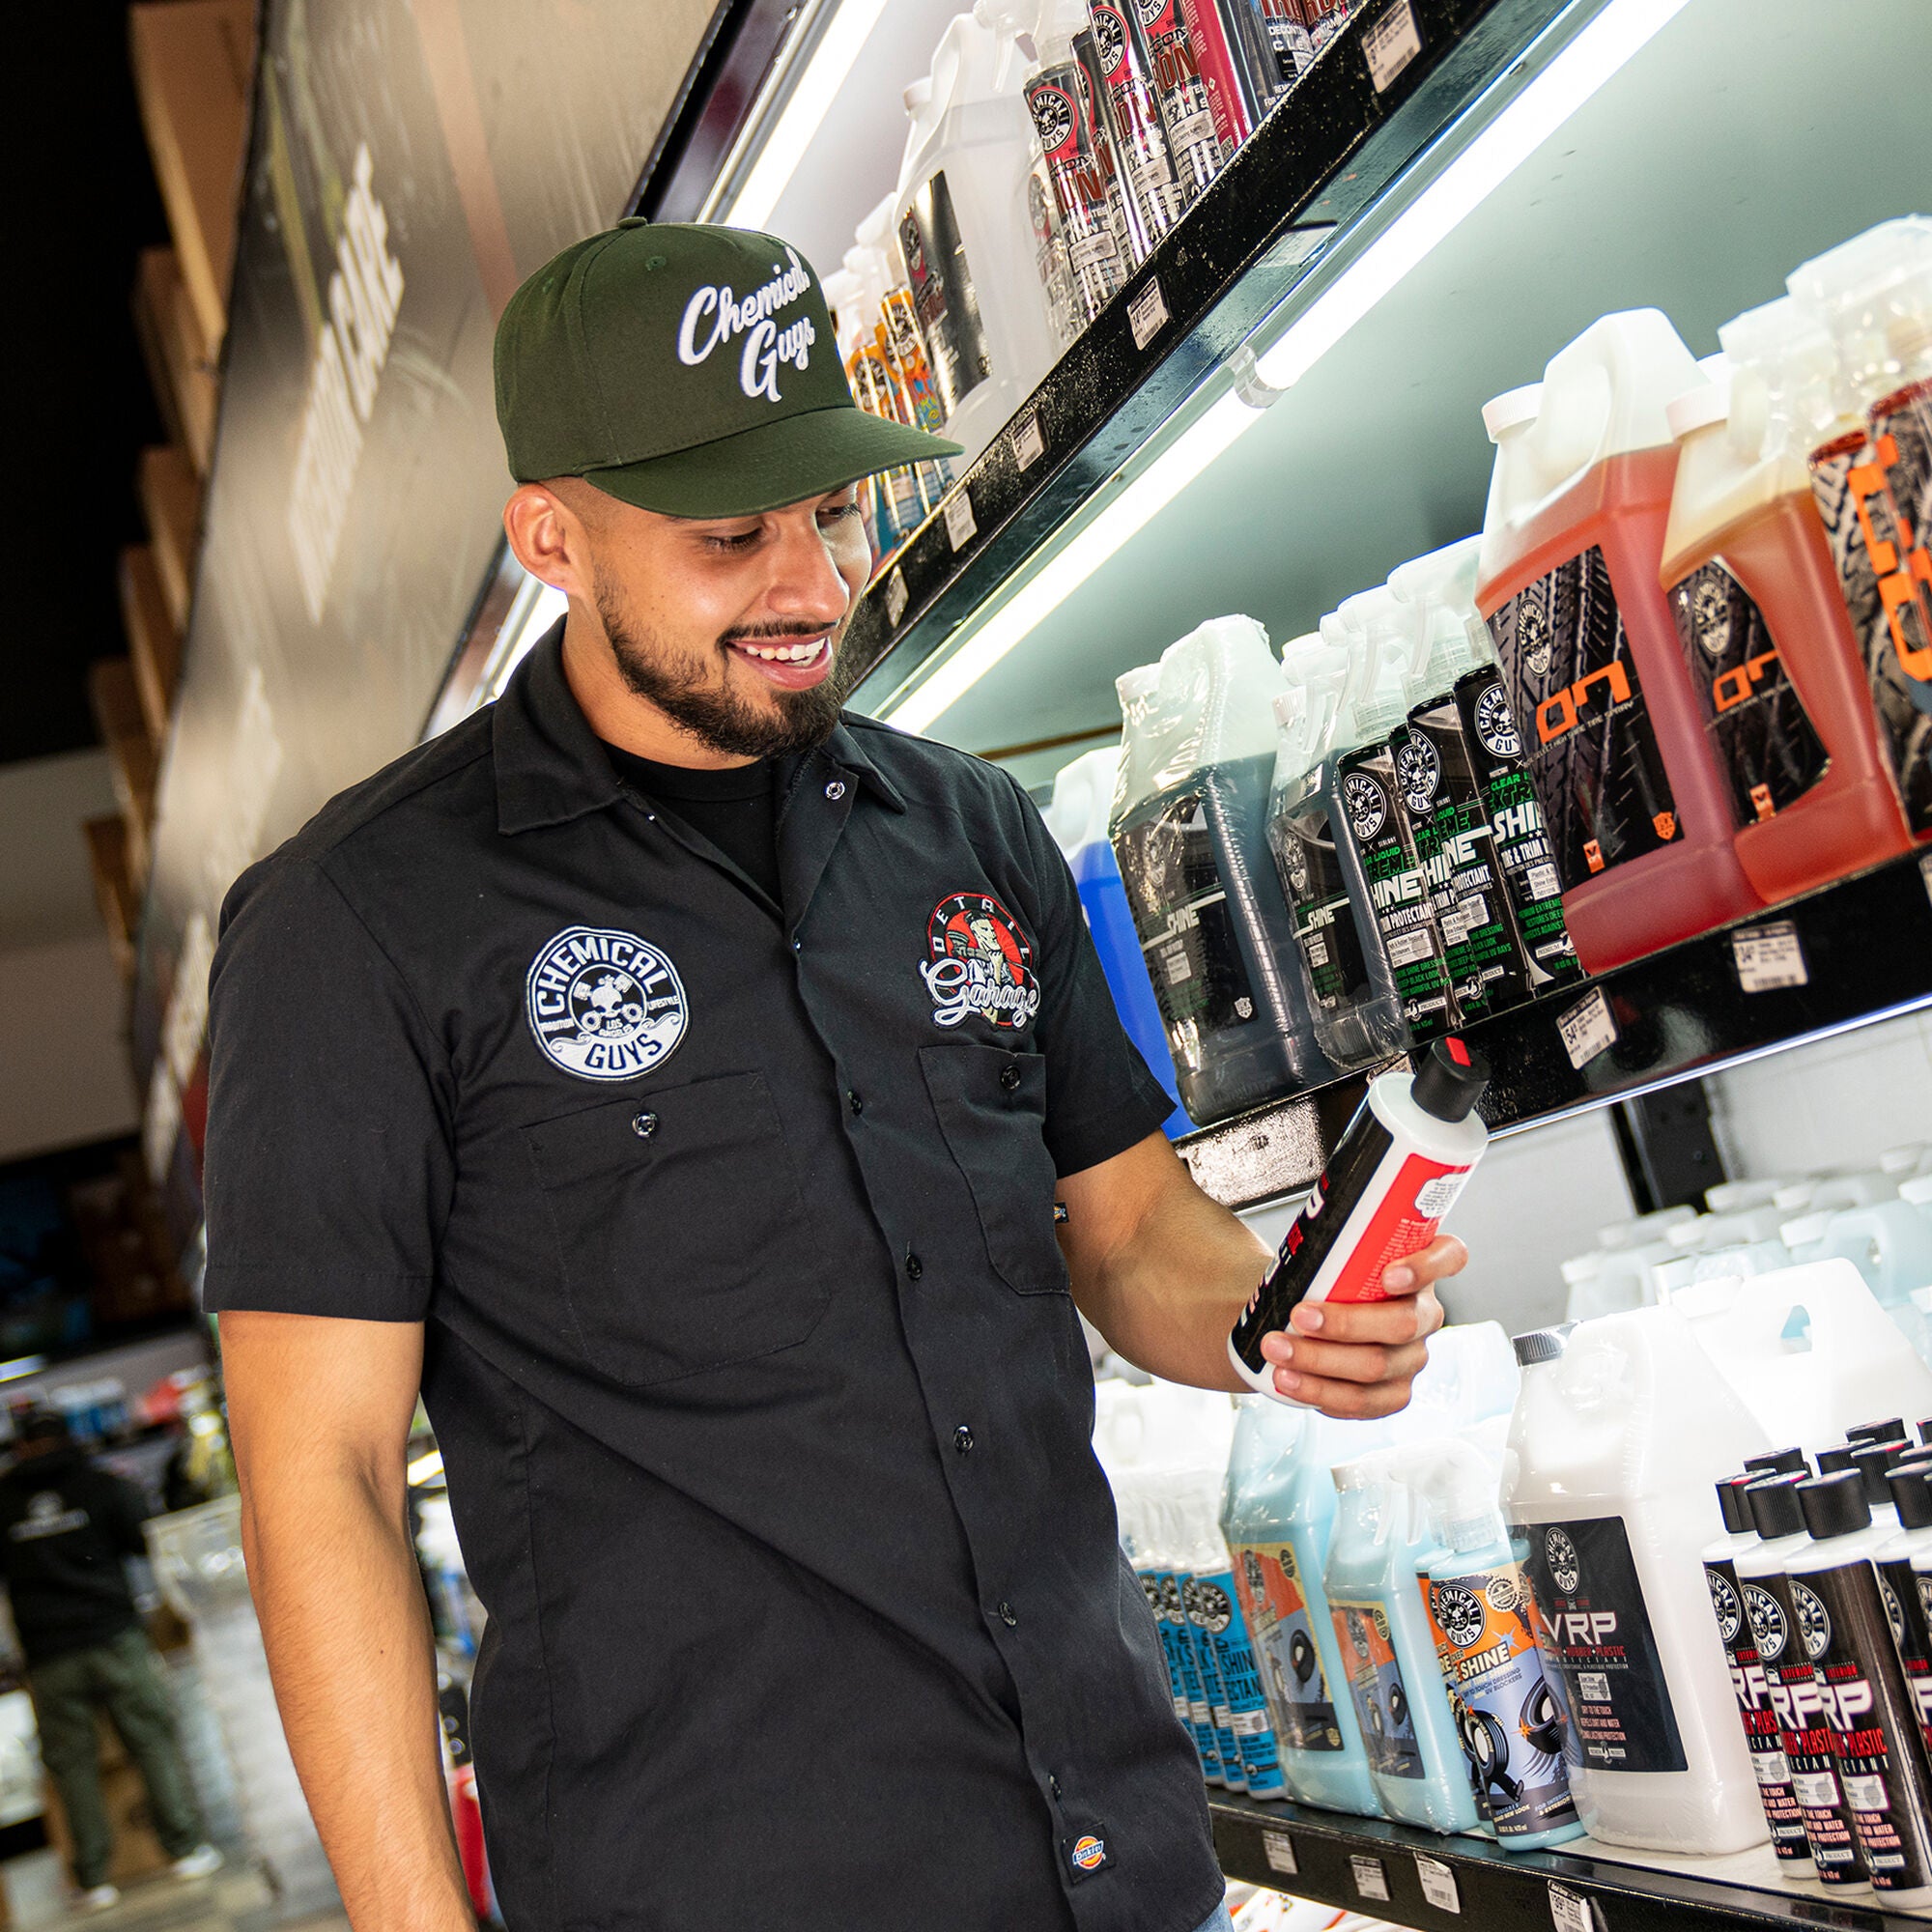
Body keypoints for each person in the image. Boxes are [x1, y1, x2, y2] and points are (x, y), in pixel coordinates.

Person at [203, 220, 1466, 1932]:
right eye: (730, 536)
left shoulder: (967, 826)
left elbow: (1124, 1227)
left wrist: (1278, 1321)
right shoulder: (361, 924)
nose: (808, 586)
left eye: (836, 512)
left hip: (1115, 1857)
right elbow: (323, 1479)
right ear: (552, 537)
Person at [0, 1413, 223, 1910]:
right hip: (115, 1637)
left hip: (48, 1654)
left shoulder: (3, 1500)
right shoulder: (100, 1484)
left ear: (21, 1445)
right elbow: (144, 1542)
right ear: (66, 1437)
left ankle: (92, 1879)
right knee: (152, 1741)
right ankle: (185, 1849)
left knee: (72, 1767)